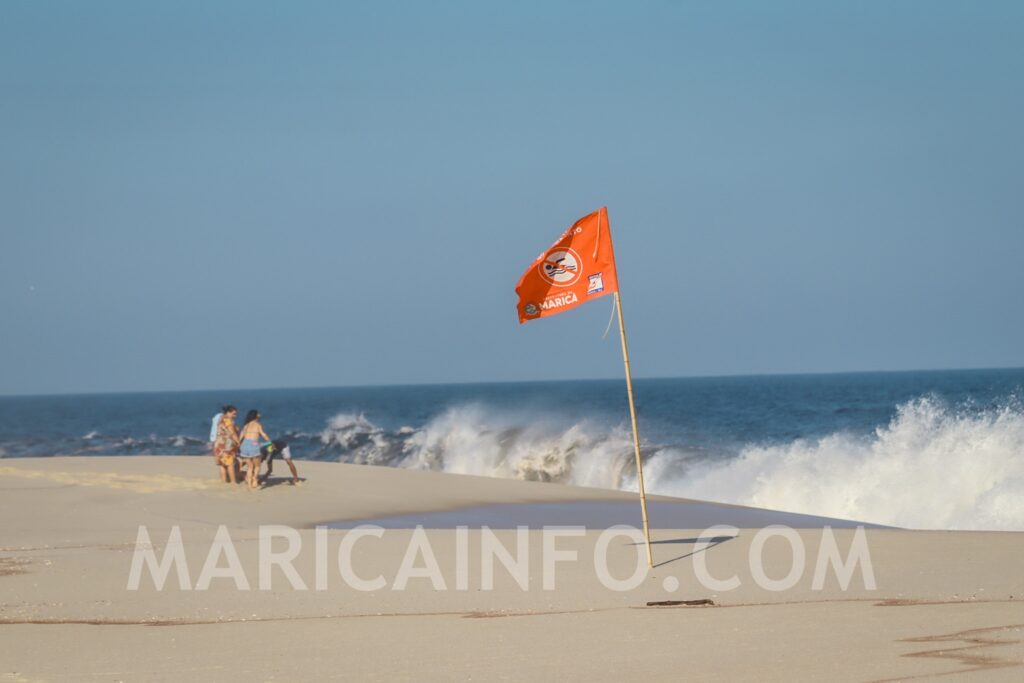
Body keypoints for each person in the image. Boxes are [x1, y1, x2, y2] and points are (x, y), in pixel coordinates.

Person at [238, 409, 270, 490]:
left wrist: (238, 446)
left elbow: (240, 437)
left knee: (250, 467)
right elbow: (263, 434)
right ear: (256, 416)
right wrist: (270, 442)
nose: (259, 414)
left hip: (244, 445)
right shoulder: (258, 425)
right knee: (257, 466)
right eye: (258, 414)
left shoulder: (246, 425)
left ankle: (249, 485)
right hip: (253, 444)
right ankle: (255, 479)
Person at [213, 406, 240, 484]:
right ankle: (233, 482)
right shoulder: (228, 421)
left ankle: (224, 482)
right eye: (233, 414)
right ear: (228, 412)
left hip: (218, 444)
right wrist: (238, 442)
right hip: (227, 445)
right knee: (230, 464)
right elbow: (232, 433)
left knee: (222, 464)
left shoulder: (220, 419)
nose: (235, 416)